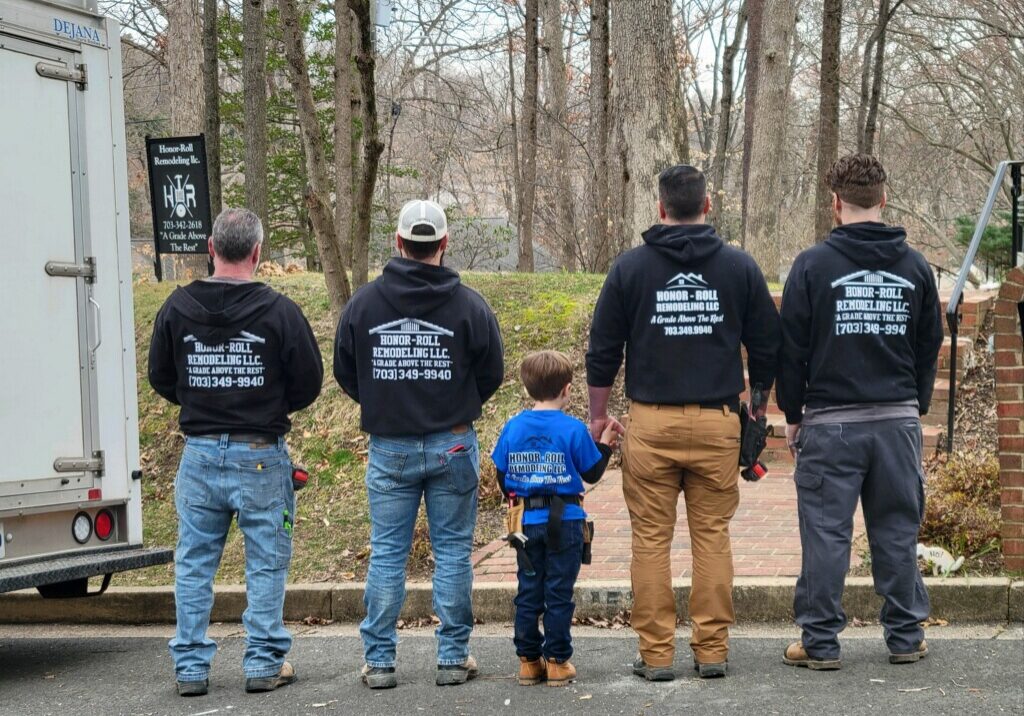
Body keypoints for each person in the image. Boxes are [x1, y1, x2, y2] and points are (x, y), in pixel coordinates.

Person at [586, 165, 780, 680]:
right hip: (718, 422)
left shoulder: (630, 269)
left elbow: (602, 351)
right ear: (707, 206)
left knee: (650, 538)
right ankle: (712, 650)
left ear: (661, 208)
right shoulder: (739, 268)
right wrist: (756, 411)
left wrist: (598, 415)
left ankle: (656, 655)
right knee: (712, 535)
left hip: (651, 424)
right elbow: (767, 346)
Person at [777, 154, 943, 670]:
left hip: (831, 422)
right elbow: (928, 343)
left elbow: (792, 348)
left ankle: (821, 643)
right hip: (896, 420)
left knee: (826, 533)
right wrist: (914, 405)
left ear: (835, 204)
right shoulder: (915, 267)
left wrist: (792, 411)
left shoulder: (812, 266)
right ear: (883, 199)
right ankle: (905, 636)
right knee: (896, 529)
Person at [148, 208, 324, 696]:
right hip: (261, 452)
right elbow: (309, 382)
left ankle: (190, 668)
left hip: (200, 452)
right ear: (257, 253)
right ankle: (264, 663)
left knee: (194, 562)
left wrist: (202, 399)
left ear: (210, 247)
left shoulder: (176, 307)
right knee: (266, 560)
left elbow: (161, 377)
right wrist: (265, 403)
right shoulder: (280, 311)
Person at [333, 199, 504, 689]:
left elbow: (347, 370)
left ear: (398, 243)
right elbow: (491, 370)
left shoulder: (364, 305)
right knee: (452, 552)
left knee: (388, 552)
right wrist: (455, 403)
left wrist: (384, 402)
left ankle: (380, 662)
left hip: (390, 446)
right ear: (444, 245)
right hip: (453, 443)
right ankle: (452, 659)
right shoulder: (469, 304)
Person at [491, 350, 617, 687]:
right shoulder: (573, 429)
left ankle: (528, 661)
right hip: (566, 520)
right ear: (566, 389)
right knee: (559, 591)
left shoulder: (513, 427)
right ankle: (558, 661)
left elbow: (502, 475)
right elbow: (591, 472)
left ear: (528, 387)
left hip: (526, 522)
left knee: (529, 589)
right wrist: (605, 444)